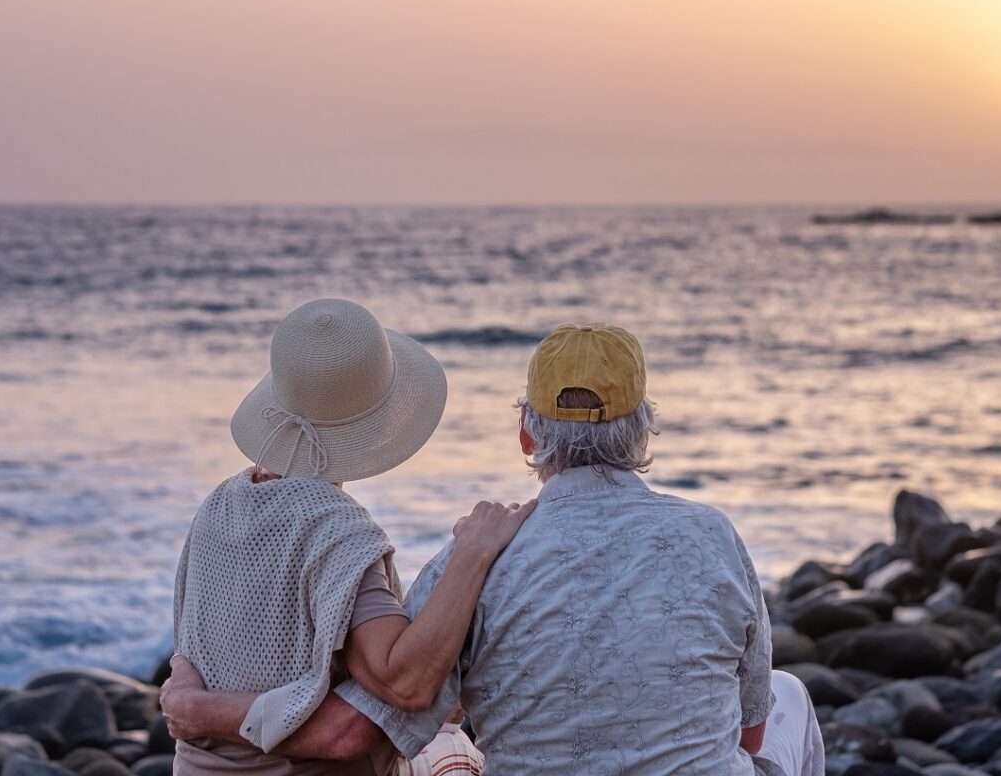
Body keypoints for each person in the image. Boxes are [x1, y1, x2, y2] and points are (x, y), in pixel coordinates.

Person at [166, 321, 822, 775]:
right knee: (787, 693)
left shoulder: (471, 564)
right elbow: (748, 732)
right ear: (643, 433)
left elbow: (361, 725)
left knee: (447, 749)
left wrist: (202, 711)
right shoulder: (714, 535)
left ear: (527, 436)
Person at [168, 298, 533, 775]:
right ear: (377, 423)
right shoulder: (335, 531)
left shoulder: (219, 505)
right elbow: (401, 683)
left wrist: (199, 710)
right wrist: (473, 551)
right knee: (458, 755)